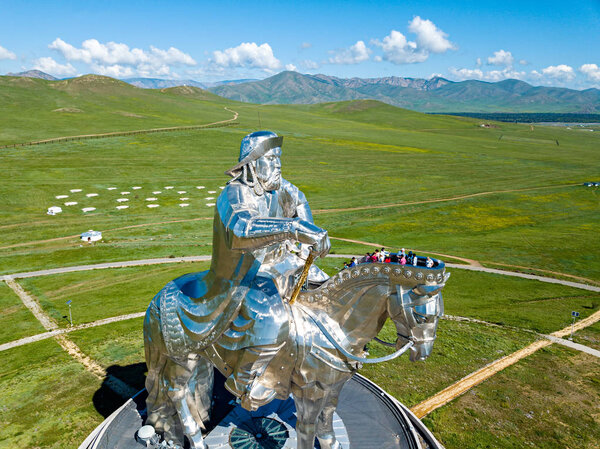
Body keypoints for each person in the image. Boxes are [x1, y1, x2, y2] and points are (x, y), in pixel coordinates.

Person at [158, 131, 330, 411]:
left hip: (283, 265)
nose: (278, 165)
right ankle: (244, 381)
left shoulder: (278, 188)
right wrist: (294, 229)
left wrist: (308, 230)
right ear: (252, 164)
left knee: (326, 291)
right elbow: (242, 228)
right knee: (273, 321)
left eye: (279, 158)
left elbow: (298, 199)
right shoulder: (233, 194)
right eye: (271, 158)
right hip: (243, 276)